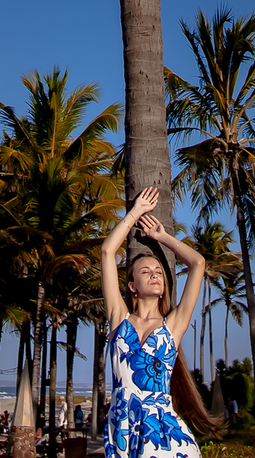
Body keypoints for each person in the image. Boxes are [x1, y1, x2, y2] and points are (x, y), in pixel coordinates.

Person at [100, 186, 220, 458]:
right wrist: (134, 213)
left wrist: (164, 237)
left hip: (163, 433)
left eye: (159, 273)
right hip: (122, 429)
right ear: (132, 286)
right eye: (146, 271)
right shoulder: (119, 318)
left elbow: (198, 264)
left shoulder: (172, 326)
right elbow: (107, 252)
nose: (155, 275)